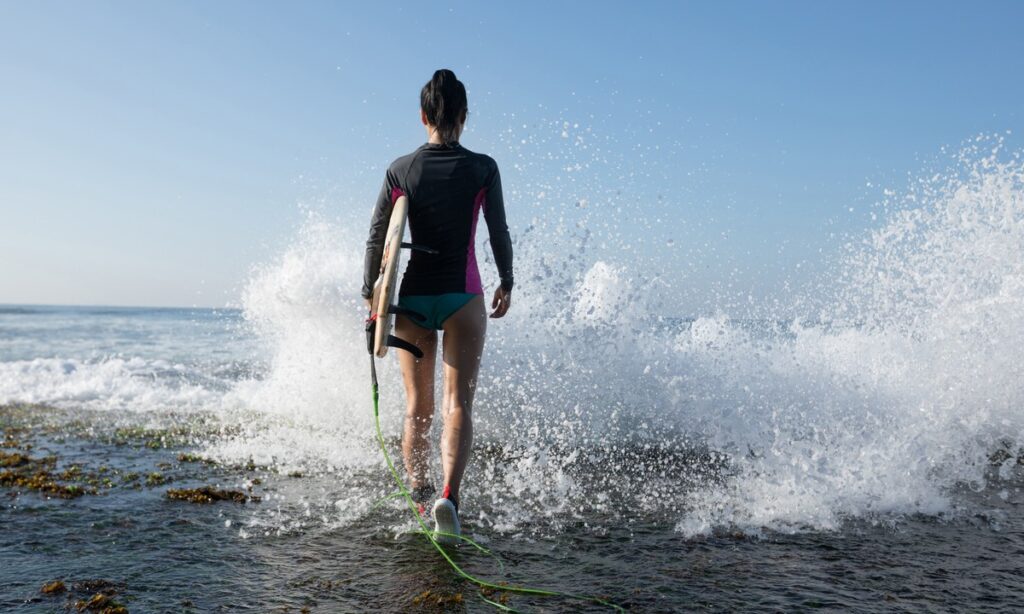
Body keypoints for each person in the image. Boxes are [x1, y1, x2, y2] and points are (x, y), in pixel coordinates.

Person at [362, 69, 513, 543]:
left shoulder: (400, 169)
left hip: (410, 299)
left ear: (423, 115)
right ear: (464, 117)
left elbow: (376, 239)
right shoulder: (483, 168)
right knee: (457, 404)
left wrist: (372, 297)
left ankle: (419, 493)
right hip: (461, 295)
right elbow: (497, 231)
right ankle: (449, 495)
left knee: (416, 407)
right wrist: (506, 279)